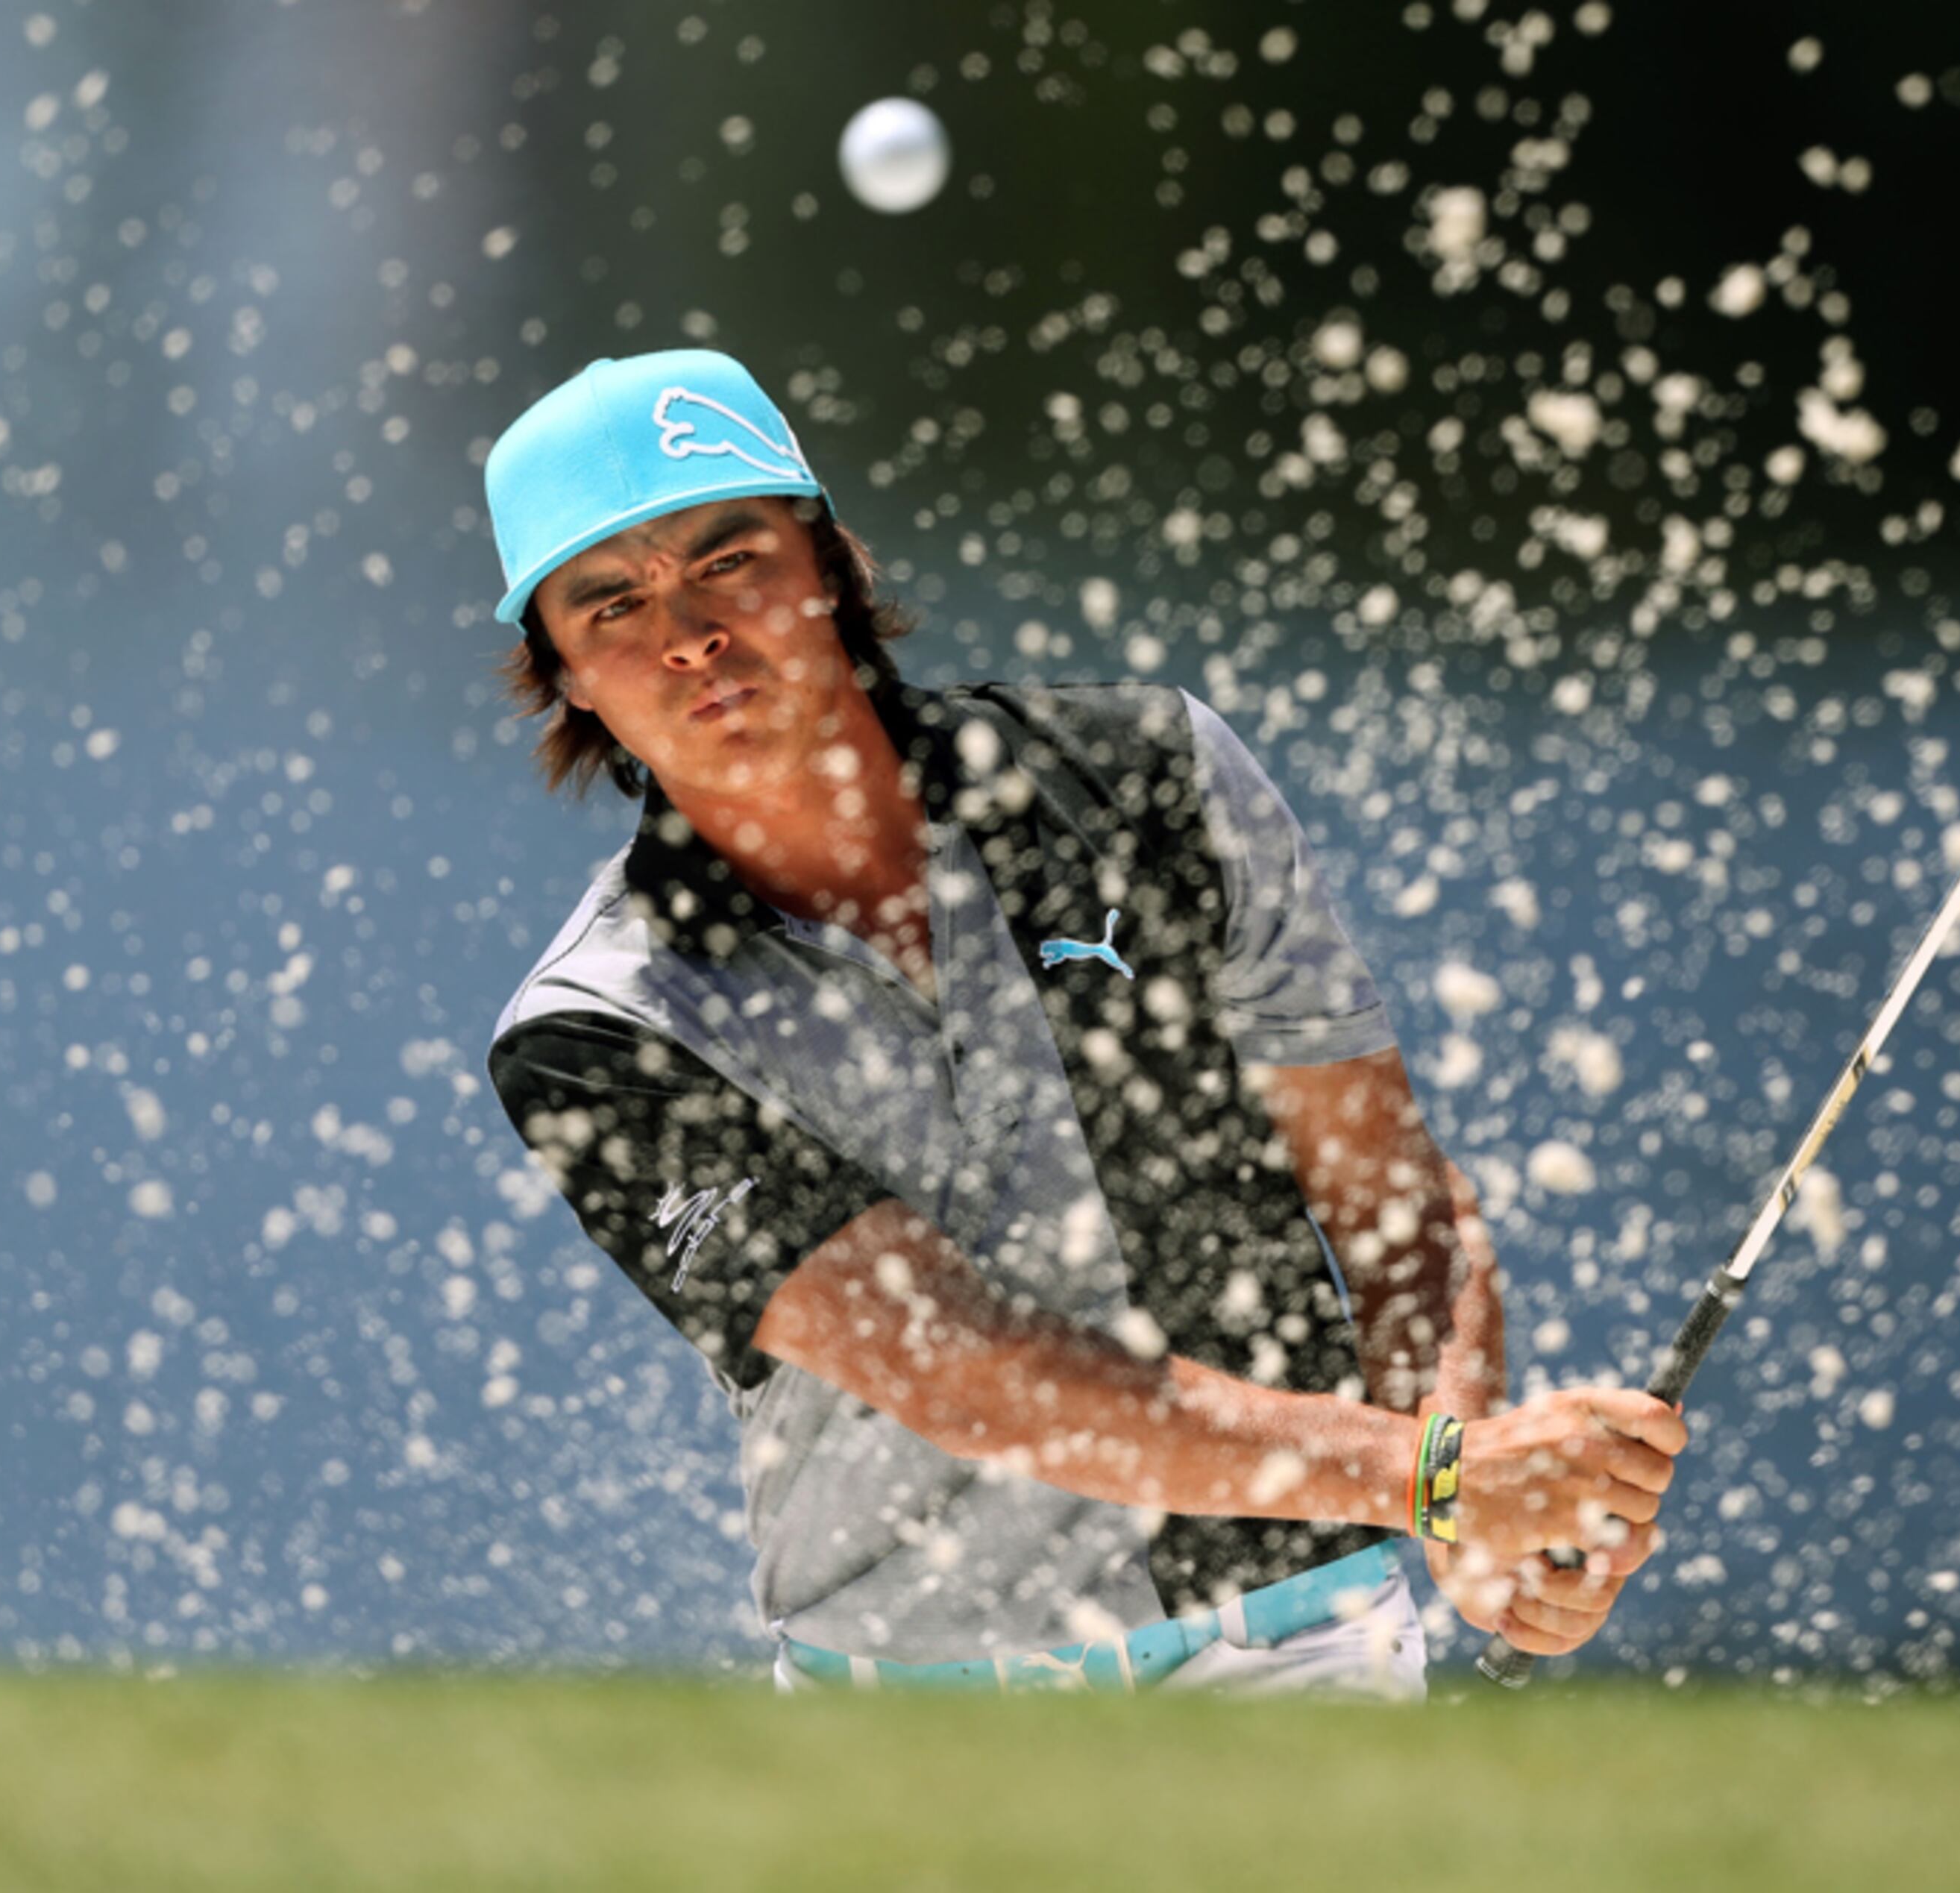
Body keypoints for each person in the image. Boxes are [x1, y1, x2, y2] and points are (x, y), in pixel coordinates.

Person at [480, 349, 1683, 1696]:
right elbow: (960, 1371)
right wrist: (1437, 1479)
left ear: (828, 561)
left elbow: (1394, 1204)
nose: (690, 632)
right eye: (612, 604)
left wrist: (1465, 1484)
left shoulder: (1147, 777)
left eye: (727, 558)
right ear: (567, 675)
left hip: (1301, 1647)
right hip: (913, 1719)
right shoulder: (593, 1028)